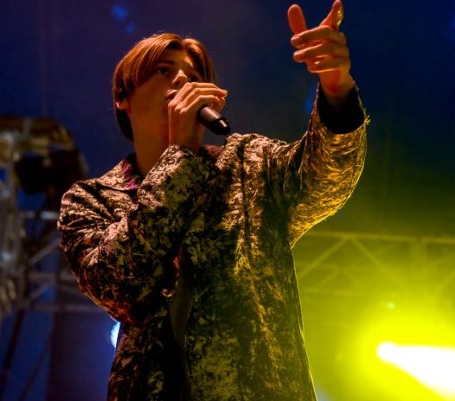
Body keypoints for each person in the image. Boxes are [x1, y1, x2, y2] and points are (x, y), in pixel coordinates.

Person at [57, 1, 367, 400]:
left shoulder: (248, 164)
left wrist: (337, 88)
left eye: (193, 76)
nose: (181, 80)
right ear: (123, 97)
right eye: (163, 71)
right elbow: (118, 286)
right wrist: (180, 158)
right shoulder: (91, 200)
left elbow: (327, 182)